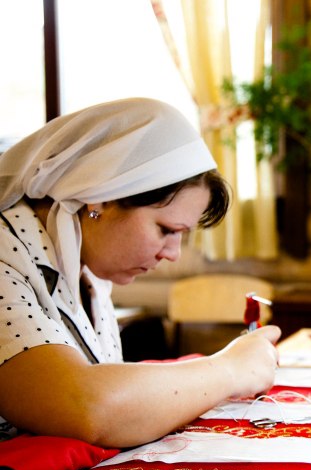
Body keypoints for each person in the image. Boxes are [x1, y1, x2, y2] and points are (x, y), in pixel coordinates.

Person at [0, 98, 280, 449]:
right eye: (166, 230)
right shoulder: (6, 258)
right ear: (100, 198)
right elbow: (86, 407)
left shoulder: (87, 273)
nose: (172, 254)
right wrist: (231, 369)